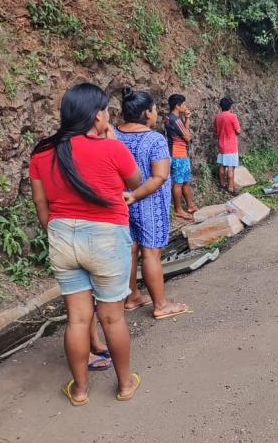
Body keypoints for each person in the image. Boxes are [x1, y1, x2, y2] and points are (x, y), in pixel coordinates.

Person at [29, 83, 142, 406]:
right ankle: (124, 385)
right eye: (106, 110)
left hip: (62, 235)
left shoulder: (42, 152)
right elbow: (135, 182)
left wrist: (59, 233)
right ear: (97, 116)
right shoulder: (111, 148)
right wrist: (114, 141)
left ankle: (79, 390)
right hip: (106, 238)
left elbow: (41, 206)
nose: (109, 116)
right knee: (112, 317)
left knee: (77, 319)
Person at [116, 88, 189, 320]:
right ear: (147, 113)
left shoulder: (114, 135)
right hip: (148, 203)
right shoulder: (154, 139)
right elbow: (159, 177)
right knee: (151, 253)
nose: (157, 112)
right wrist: (137, 195)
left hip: (121, 202)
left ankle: (132, 296)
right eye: (155, 109)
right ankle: (160, 305)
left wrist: (129, 195)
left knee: (130, 249)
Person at [164, 94, 198, 220]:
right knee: (178, 183)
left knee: (184, 182)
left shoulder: (168, 118)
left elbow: (183, 131)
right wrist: (186, 122)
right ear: (177, 106)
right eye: (183, 104)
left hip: (176, 153)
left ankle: (190, 206)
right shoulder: (176, 120)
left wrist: (187, 119)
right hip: (178, 154)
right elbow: (187, 137)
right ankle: (178, 210)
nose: (185, 106)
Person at [214, 96, 242, 194]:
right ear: (230, 106)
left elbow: (216, 131)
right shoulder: (233, 116)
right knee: (231, 167)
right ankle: (230, 188)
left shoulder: (217, 117)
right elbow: (238, 131)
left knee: (222, 166)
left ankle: (222, 184)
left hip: (221, 146)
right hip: (231, 146)